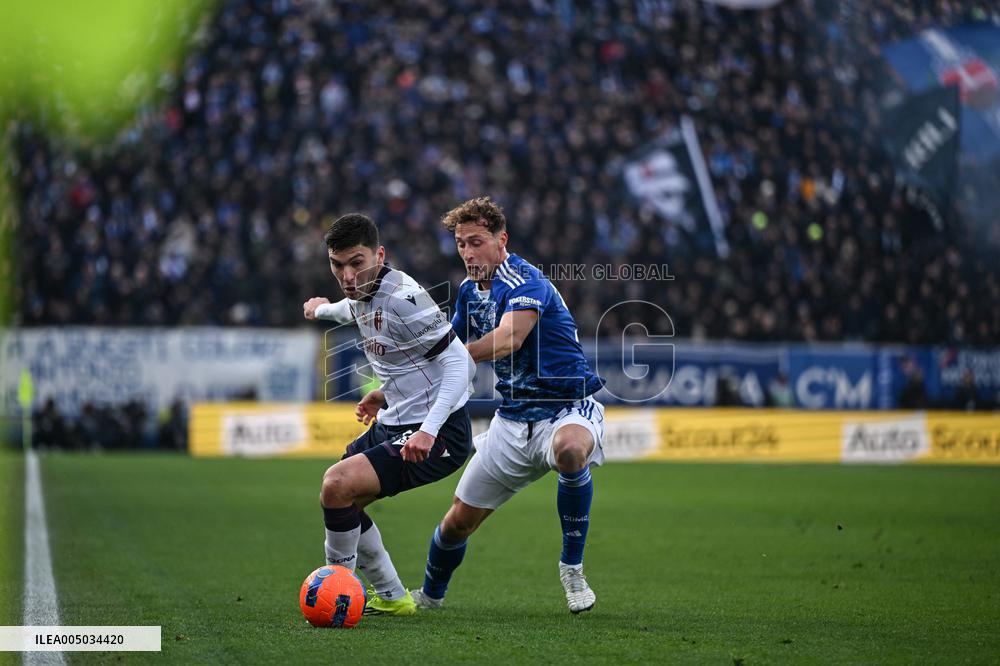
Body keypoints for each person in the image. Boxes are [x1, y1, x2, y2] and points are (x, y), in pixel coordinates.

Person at [409, 196, 606, 614]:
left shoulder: (525, 282)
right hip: (512, 423)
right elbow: (448, 352)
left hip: (566, 409)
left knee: (570, 450)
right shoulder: (467, 291)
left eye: (476, 241)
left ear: (502, 240)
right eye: (461, 243)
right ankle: (429, 597)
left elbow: (508, 339)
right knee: (457, 523)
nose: (467, 252)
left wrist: (452, 356)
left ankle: (572, 568)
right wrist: (392, 391)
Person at [303, 213, 477, 616]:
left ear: (380, 255)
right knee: (339, 497)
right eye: (337, 265)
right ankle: (393, 596)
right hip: (395, 421)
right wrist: (323, 311)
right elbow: (352, 308)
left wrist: (430, 430)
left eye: (357, 262)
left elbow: (460, 364)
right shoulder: (367, 291)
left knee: (338, 482)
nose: (347, 275)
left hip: (440, 433)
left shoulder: (405, 297)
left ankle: (338, 595)